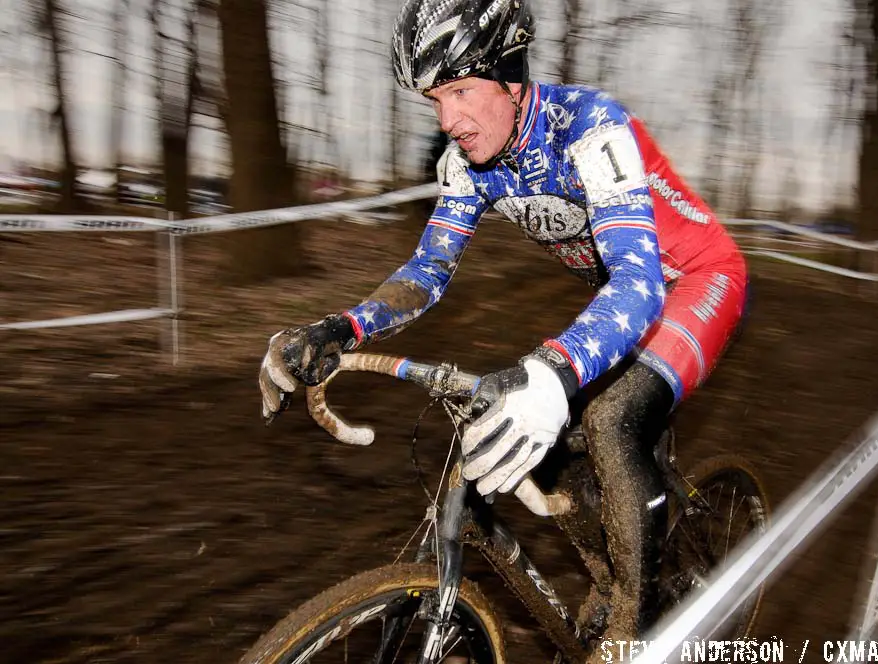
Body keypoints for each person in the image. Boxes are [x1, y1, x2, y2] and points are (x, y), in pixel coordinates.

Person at [258, 0, 750, 657]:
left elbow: (638, 286)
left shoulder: (590, 127)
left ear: (512, 79)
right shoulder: (471, 164)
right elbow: (428, 271)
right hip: (623, 295)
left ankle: (635, 633)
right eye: (435, 98)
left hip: (694, 280)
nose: (449, 119)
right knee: (549, 444)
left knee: (609, 419)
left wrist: (551, 369)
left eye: (461, 90)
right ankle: (609, 576)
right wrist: (342, 327)